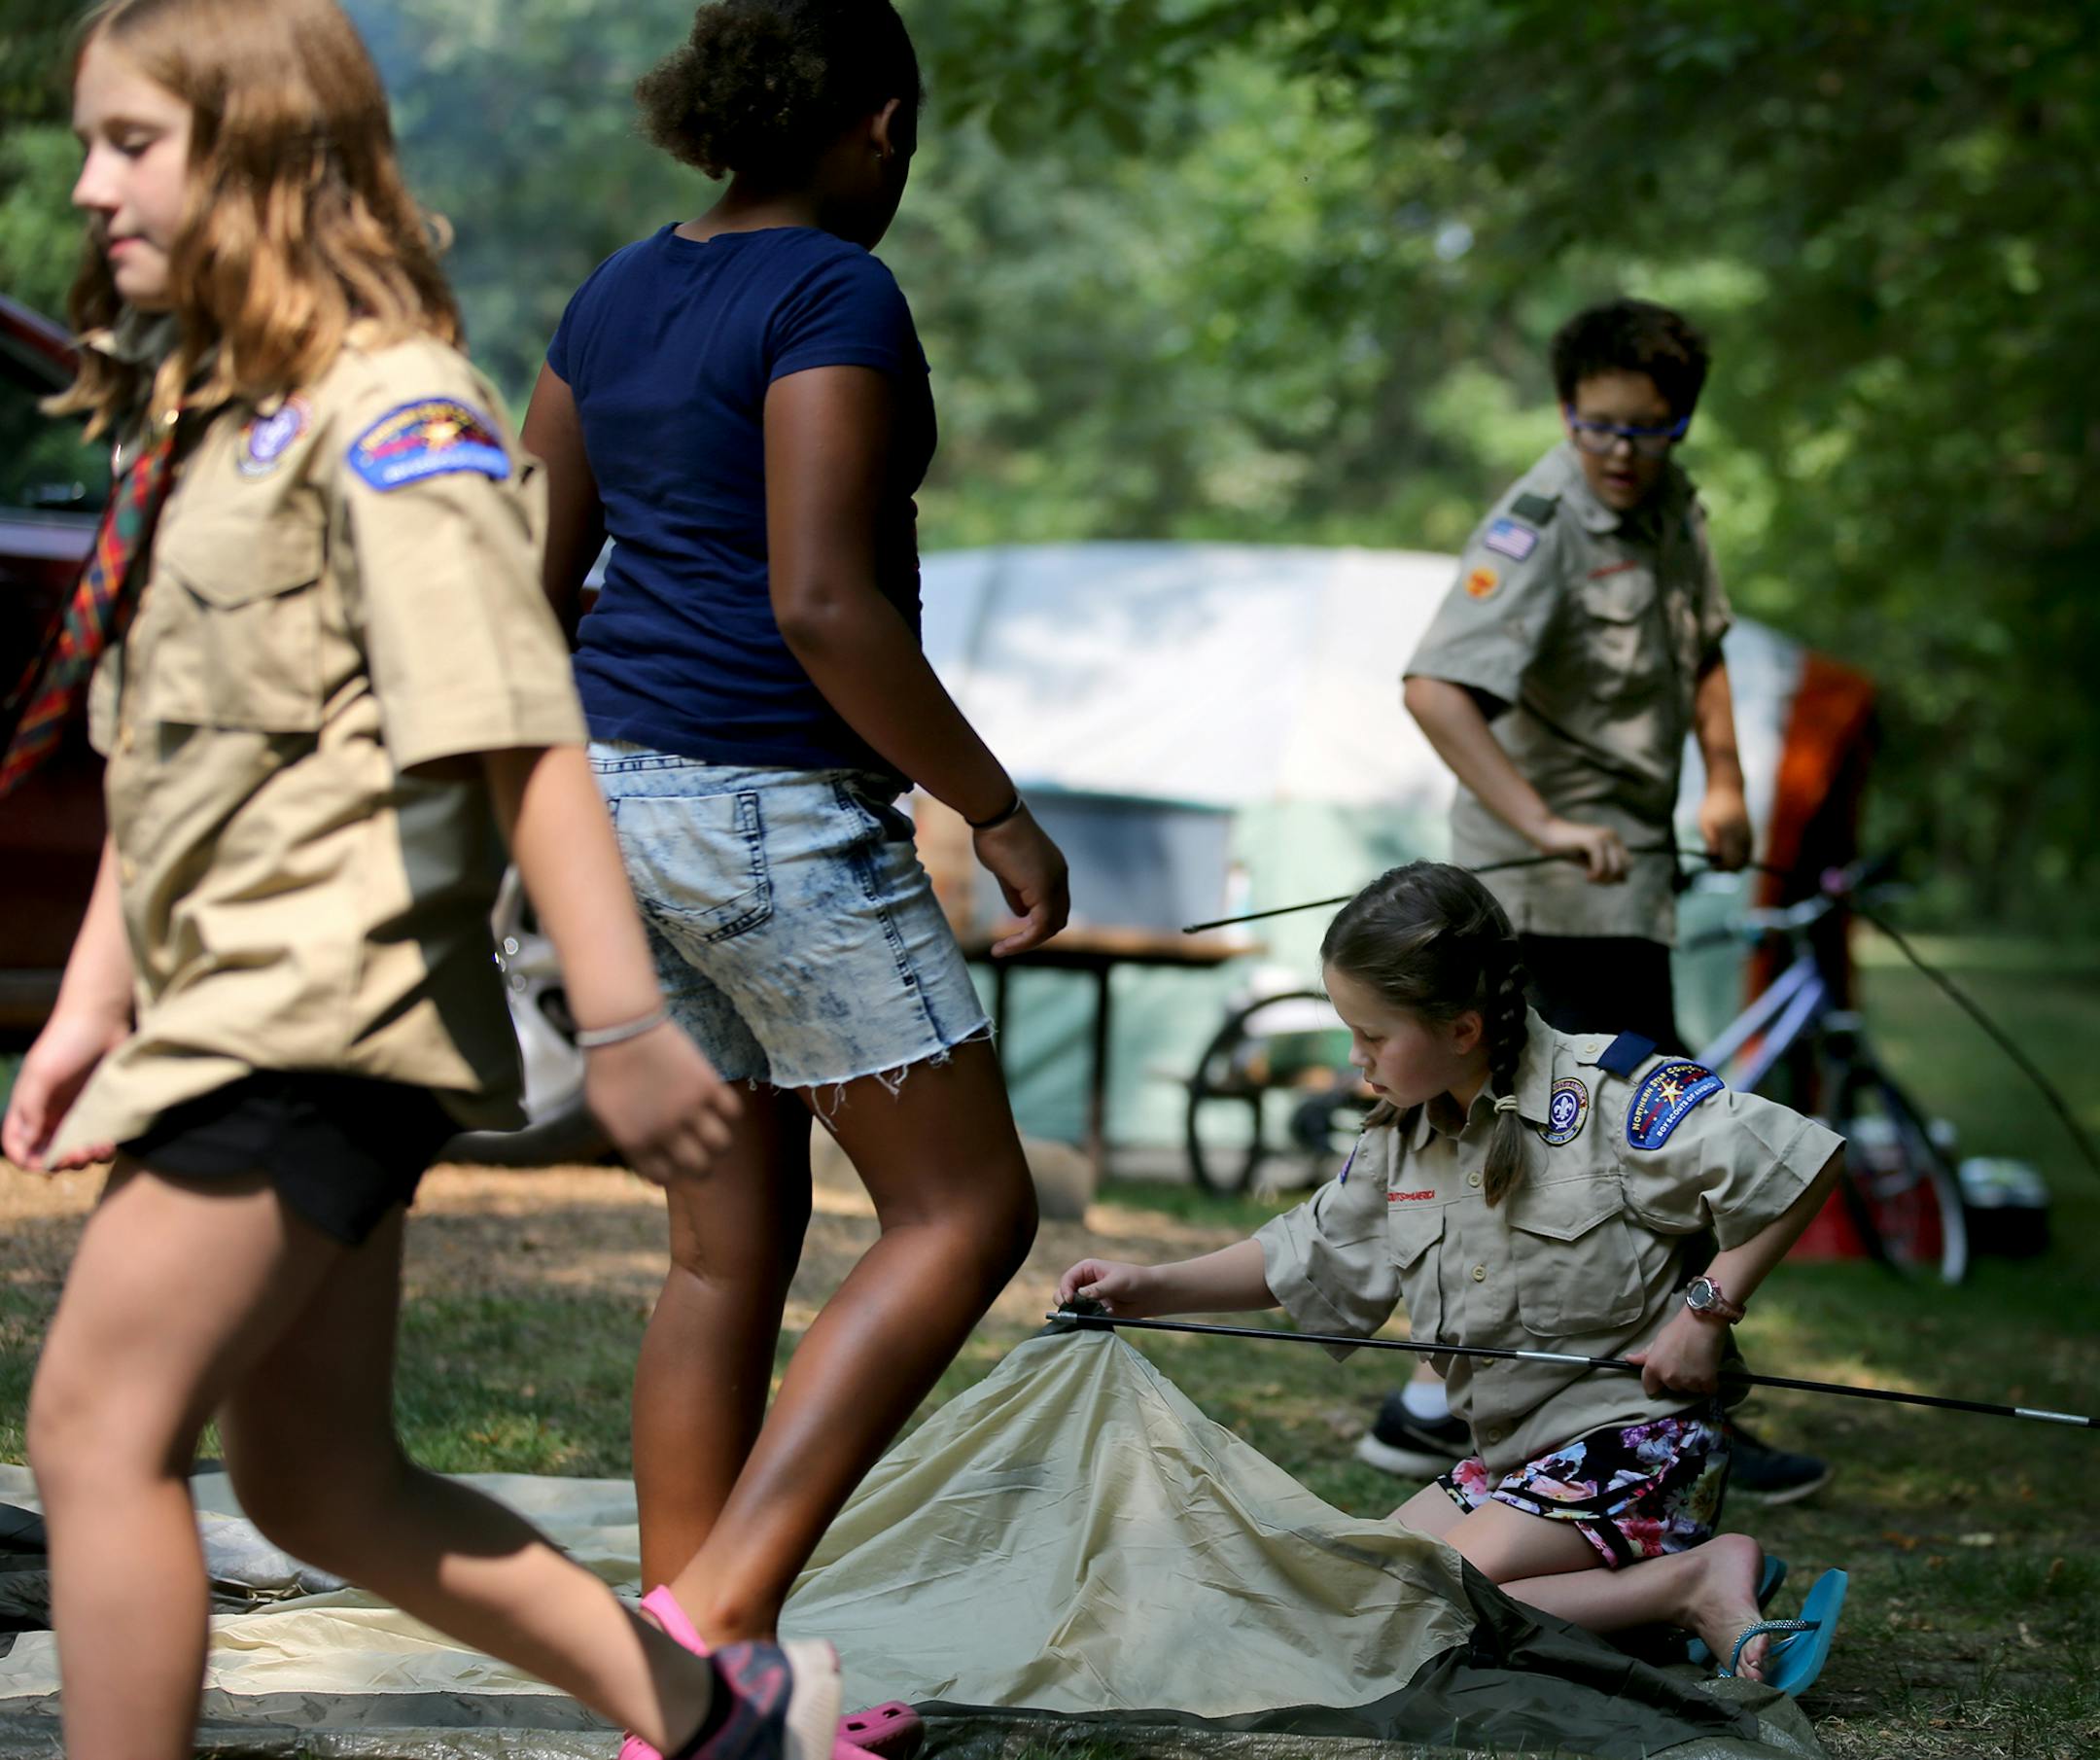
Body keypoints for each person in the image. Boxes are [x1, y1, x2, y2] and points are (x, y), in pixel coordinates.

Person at [0, 5, 837, 1757]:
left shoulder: (398, 414)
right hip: (229, 1009)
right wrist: (91, 1001)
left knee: (94, 1428)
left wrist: (620, 1020)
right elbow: (170, 763)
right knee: (319, 1482)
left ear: (262, 155)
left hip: (321, 1020)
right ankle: (706, 1714)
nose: (91, 187)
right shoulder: (225, 421)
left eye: (132, 143)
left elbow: (517, 727)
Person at [518, 3, 1066, 1750]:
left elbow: (537, 573)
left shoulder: (612, 293)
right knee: (967, 1210)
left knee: (718, 1254)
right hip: (761, 809)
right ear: (880, 124)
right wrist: (989, 807)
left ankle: (708, 1700)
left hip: (611, 803)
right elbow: (826, 604)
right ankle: (707, 1615)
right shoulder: (835, 294)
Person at [1057, 863, 1848, 1692]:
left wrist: (1706, 1313)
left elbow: (1797, 1164)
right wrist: (1147, 1286)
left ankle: (1688, 1586)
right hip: (1514, 1463)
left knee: (1412, 1605)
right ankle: (1637, 1606)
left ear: (1463, 1029)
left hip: (1638, 1446)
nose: (1356, 1059)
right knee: (1350, 1595)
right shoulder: (1402, 1133)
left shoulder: (1614, 1097)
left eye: (1372, 1036)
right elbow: (1304, 1251)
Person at [1378, 299, 1827, 1501]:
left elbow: (1706, 646)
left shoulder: (1674, 506)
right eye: (1599, 425)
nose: (1620, 450)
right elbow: (1433, 690)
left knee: (1633, 1151)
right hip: (1545, 894)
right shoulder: (1537, 524)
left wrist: (1725, 781)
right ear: (1568, 411)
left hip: (1638, 878)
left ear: (1681, 422)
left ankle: (1466, 1400)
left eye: (1648, 428)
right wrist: (1545, 824)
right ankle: (1620, 1403)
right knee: (1655, 1147)